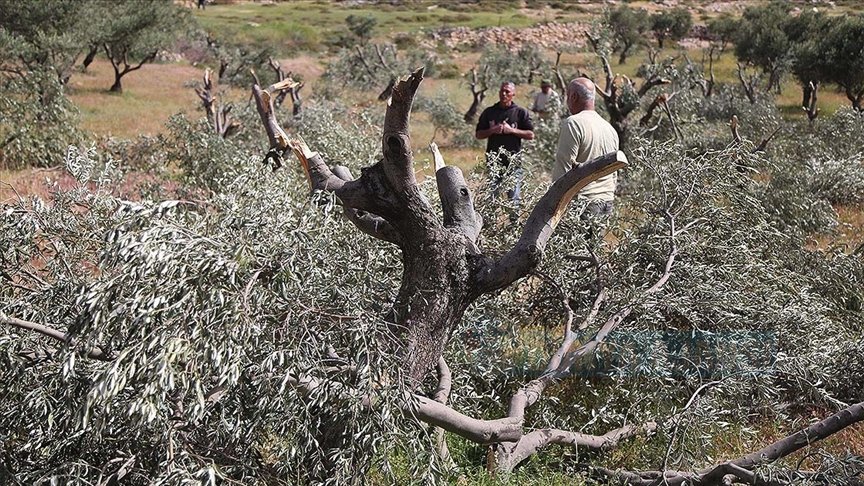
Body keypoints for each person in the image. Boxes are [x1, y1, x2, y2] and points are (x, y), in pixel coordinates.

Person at [552, 77, 620, 219]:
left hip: (582, 204)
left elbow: (564, 169)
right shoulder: (609, 128)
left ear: (574, 97)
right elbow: (614, 172)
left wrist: (552, 205)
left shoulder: (573, 123)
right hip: (606, 202)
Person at [475, 81, 535, 204]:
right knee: (492, 199)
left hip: (513, 164)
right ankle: (490, 223)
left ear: (513, 94)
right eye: (502, 91)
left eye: (507, 91)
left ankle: (515, 223)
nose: (503, 94)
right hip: (494, 163)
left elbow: (530, 134)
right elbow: (478, 134)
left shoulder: (520, 112)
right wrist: (492, 130)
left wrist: (511, 130)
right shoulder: (489, 112)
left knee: (514, 200)